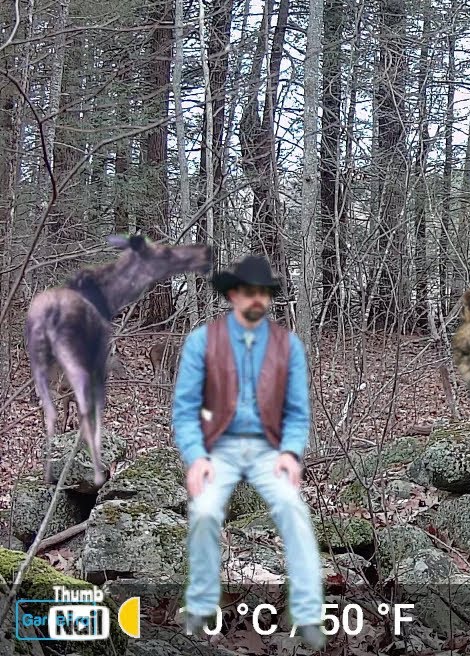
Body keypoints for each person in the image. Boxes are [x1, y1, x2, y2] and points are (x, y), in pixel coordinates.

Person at [172, 254, 324, 648]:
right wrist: (196, 457)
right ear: (233, 295)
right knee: (204, 512)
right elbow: (186, 410)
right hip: (218, 447)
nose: (256, 299)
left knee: (293, 510)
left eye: (263, 293)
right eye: (248, 292)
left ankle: (307, 612)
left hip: (267, 449)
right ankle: (203, 606)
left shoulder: (286, 345)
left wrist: (291, 453)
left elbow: (297, 411)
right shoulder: (202, 342)